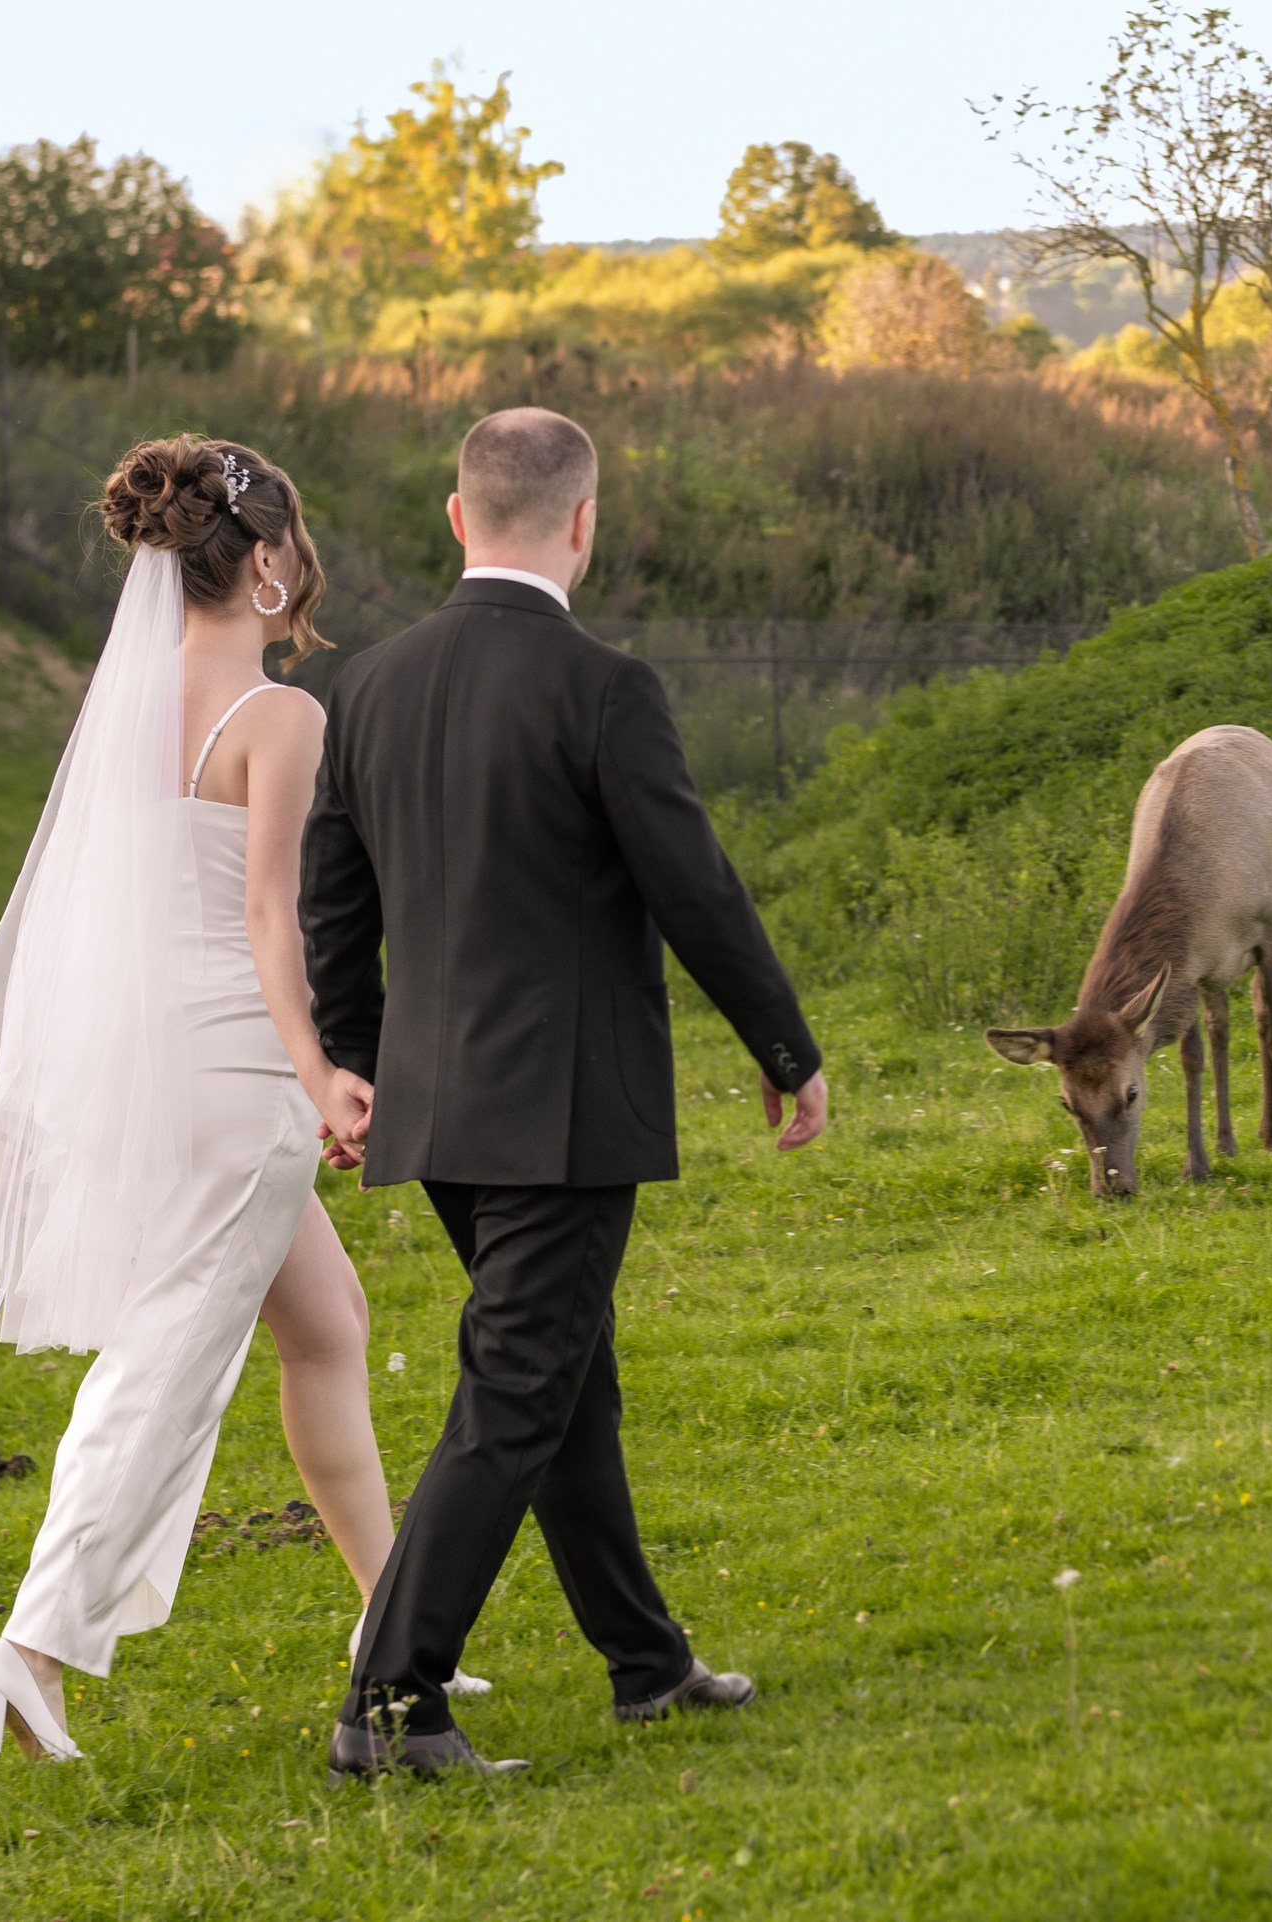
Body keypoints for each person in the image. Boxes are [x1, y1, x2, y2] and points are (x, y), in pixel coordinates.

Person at [304, 406, 828, 1781]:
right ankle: (392, 1702)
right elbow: (696, 890)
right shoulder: (603, 689)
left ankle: (647, 1663)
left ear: (459, 513)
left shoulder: (363, 686)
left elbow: (332, 901)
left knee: (562, 1386)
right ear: (585, 523)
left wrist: (352, 1055)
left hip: (433, 1105)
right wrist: (786, 1048)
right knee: (519, 1390)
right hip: (564, 1109)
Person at [0, 436, 481, 1762]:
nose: (302, 571)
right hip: (239, 1080)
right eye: (292, 549)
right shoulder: (281, 717)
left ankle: (389, 1620)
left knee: (331, 1321)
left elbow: (84, 924)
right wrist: (317, 1072)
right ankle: (32, 1649)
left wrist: (35, 1091)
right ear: (260, 563)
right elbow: (268, 922)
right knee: (169, 1364)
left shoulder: (123, 713)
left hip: (166, 1075)